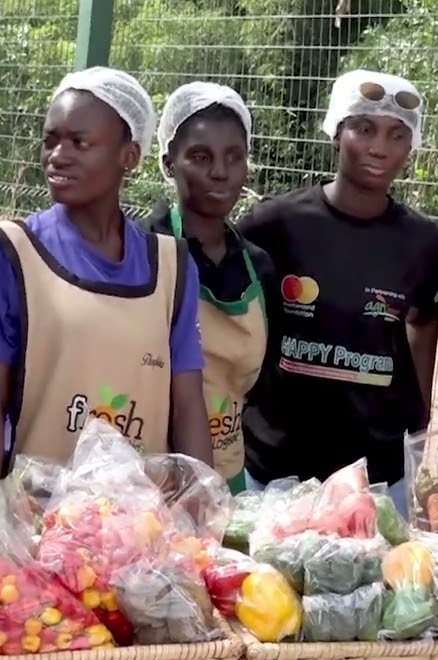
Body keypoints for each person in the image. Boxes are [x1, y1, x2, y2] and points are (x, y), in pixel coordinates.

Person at [0, 66, 211, 477]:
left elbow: (188, 403)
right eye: (50, 140)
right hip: (38, 520)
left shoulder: (171, 267)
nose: (58, 155)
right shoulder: (9, 252)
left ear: (129, 156)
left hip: (139, 524)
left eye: (79, 142)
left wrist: (201, 511)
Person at [236, 69, 438, 515]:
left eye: (397, 135)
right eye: (364, 129)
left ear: (412, 146)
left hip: (377, 476)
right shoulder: (272, 225)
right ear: (336, 133)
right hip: (277, 468)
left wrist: (419, 420)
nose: (379, 147)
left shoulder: (424, 241)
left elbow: (421, 321)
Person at [143, 83, 277, 493]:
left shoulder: (258, 267)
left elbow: (265, 388)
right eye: (201, 157)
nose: (220, 171)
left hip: (230, 475)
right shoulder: (147, 251)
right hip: (149, 480)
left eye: (234, 157)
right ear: (169, 163)